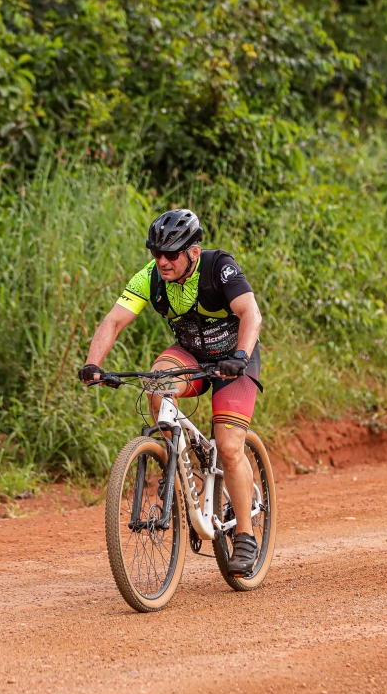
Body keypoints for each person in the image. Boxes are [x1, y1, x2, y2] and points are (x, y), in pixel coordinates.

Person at [80, 209, 264, 575]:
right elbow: (113, 321)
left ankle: (245, 535)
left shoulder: (218, 267)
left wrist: (241, 356)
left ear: (193, 252)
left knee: (229, 447)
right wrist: (93, 364)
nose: (162, 261)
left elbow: (251, 314)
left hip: (233, 361)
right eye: (156, 253)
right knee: (155, 384)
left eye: (171, 254)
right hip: (190, 356)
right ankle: (175, 465)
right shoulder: (151, 278)